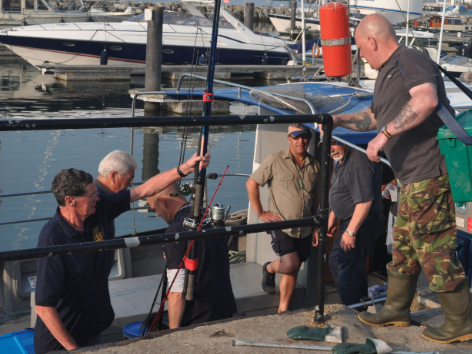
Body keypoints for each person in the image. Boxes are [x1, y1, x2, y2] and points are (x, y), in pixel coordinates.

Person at [328, 14, 472, 344]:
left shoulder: (410, 59)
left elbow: (426, 100)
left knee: (434, 248)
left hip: (430, 173)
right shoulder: (386, 73)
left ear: (372, 41)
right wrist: (337, 119)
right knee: (405, 246)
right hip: (410, 178)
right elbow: (374, 116)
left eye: (360, 49)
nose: (360, 56)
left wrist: (382, 137)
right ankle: (396, 309)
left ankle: (459, 322)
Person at [33, 152, 209, 353]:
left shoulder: (98, 209)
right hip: (62, 342)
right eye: (91, 195)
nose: (97, 198)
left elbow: (143, 190)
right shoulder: (52, 239)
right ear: (70, 201)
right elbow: (44, 308)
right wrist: (74, 350)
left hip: (93, 330)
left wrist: (184, 169)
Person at [246, 123, 320, 313]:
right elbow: (251, 183)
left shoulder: (315, 165)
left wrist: (315, 226)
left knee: (293, 268)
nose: (300, 141)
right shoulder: (275, 160)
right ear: (289, 139)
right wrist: (261, 213)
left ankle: (283, 310)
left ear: (309, 139)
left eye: (304, 137)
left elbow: (317, 197)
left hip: (305, 225)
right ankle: (270, 268)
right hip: (282, 224)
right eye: (296, 137)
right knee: (290, 264)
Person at [147, 183, 236, 328]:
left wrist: (173, 334)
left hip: (197, 319)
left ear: (162, 201)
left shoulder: (174, 231)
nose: (157, 214)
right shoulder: (210, 216)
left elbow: (177, 292)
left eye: (154, 208)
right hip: (226, 309)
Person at [321, 140, 384, 306]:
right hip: (351, 221)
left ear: (346, 141)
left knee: (344, 265)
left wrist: (351, 232)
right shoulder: (342, 160)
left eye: (334, 143)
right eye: (328, 144)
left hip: (363, 223)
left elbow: (364, 202)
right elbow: (343, 190)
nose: (331, 148)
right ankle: (359, 304)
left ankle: (354, 311)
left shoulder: (357, 162)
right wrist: (333, 215)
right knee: (344, 263)